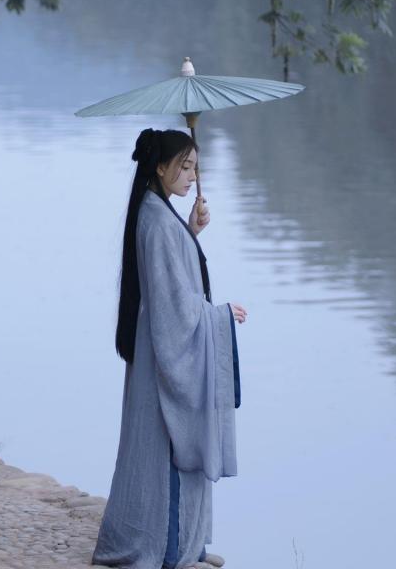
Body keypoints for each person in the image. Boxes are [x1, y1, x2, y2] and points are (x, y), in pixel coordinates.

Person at [91, 128, 246, 569]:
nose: (193, 176)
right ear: (160, 167)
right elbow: (174, 306)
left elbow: (171, 278)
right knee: (168, 448)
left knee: (164, 448)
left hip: (155, 344)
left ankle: (188, 545)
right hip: (164, 350)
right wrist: (220, 316)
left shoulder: (158, 212)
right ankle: (168, 549)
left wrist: (191, 231)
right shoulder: (157, 220)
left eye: (195, 166)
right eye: (186, 166)